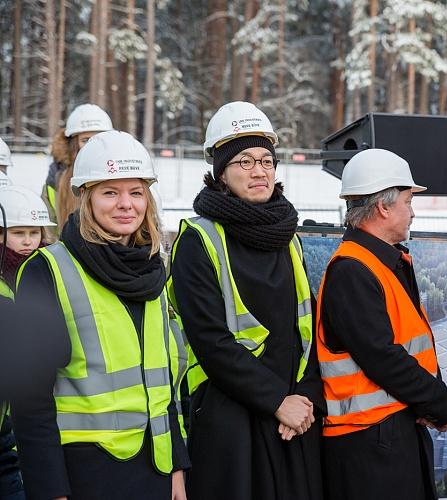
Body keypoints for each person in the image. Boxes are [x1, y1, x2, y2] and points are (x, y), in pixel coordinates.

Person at [12, 130, 189, 500]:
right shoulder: (48, 272)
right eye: (111, 192)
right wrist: (50, 491)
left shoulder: (155, 269)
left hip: (155, 470)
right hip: (85, 476)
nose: (126, 204)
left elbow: (162, 384)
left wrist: (175, 466)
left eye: (136, 192)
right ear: (85, 197)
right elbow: (30, 401)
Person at [168, 101, 323, 499]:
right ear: (220, 172)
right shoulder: (198, 240)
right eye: (244, 161)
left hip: (292, 420)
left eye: (267, 160)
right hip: (230, 419)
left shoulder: (288, 237)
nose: (259, 171)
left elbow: (305, 328)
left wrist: (303, 399)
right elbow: (211, 341)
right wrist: (277, 401)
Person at [316, 148, 447, 500]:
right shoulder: (352, 269)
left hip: (389, 434)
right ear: (383, 207)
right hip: (368, 445)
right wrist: (438, 401)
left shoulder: (381, 262)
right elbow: (382, 356)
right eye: (408, 202)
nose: (412, 212)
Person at [0, 185, 52, 500]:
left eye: (35, 232)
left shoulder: (46, 275)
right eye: (19, 232)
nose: (29, 241)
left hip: (23, 430)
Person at [41, 104, 113, 234]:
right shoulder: (56, 177)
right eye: (85, 140)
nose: (93, 145)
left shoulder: (125, 175)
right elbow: (48, 230)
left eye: (98, 138)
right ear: (73, 144)